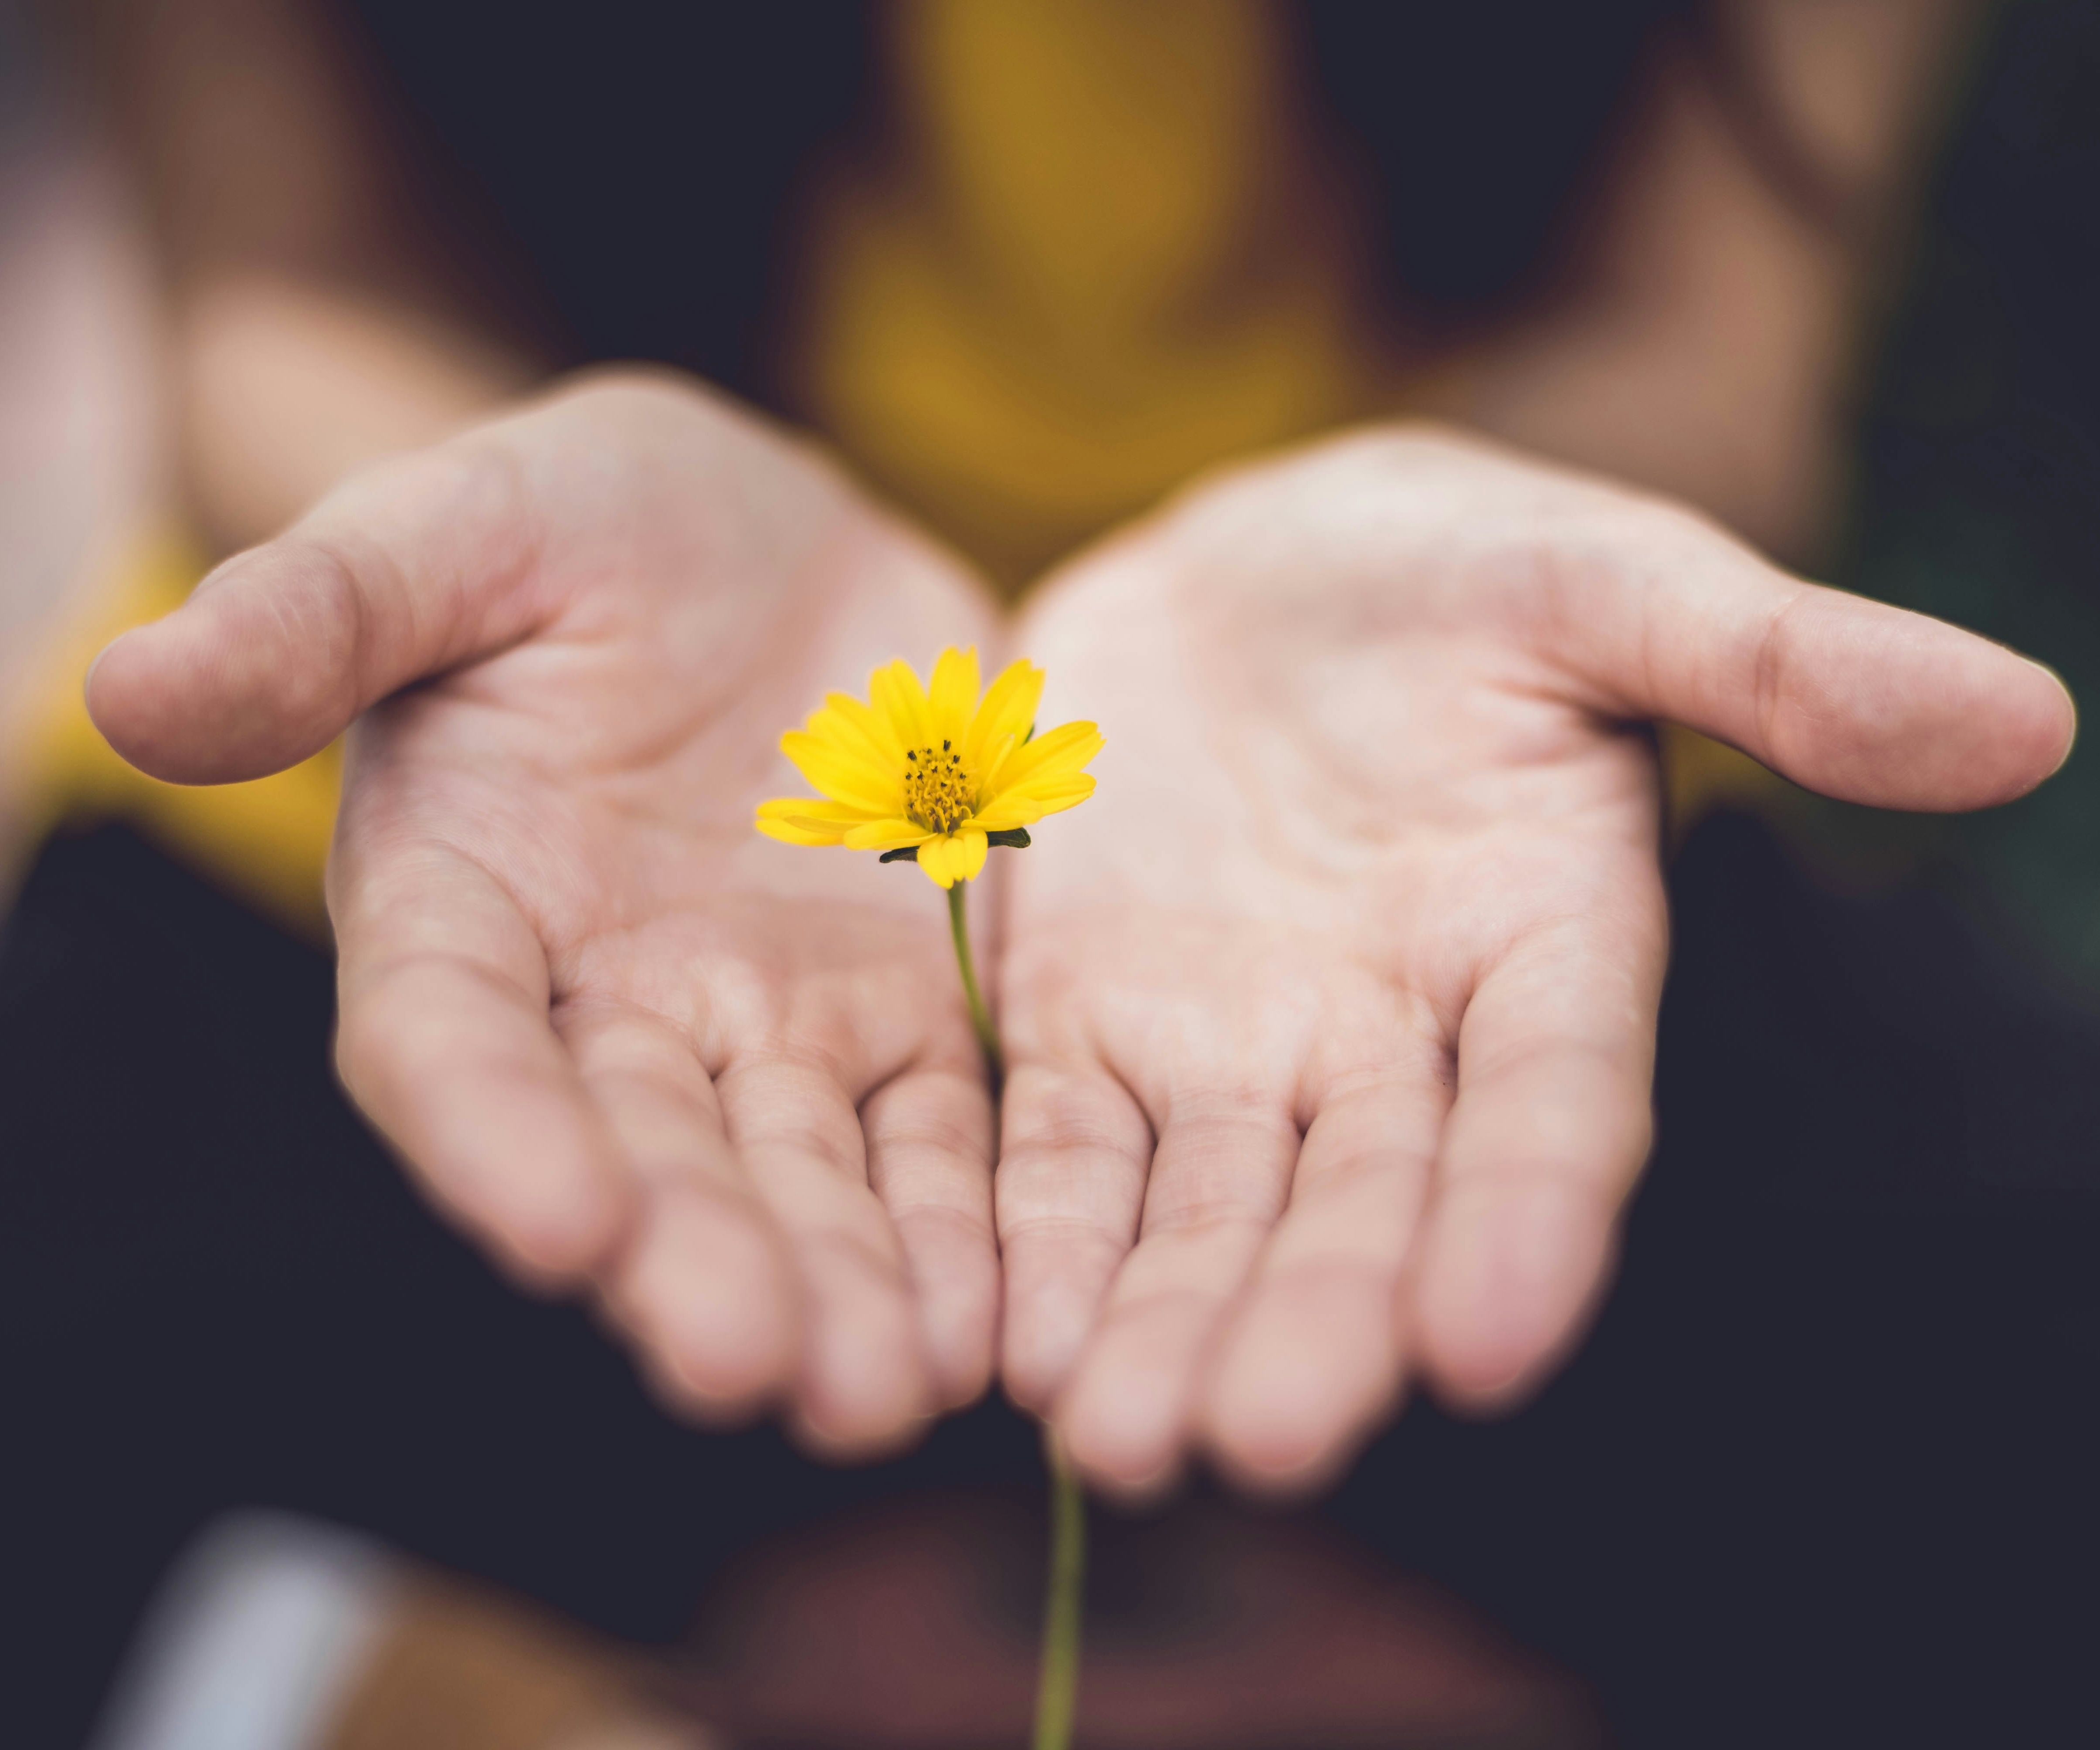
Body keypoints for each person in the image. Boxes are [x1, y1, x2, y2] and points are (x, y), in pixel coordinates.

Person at [9, 3, 2096, 1743]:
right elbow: (282, 283)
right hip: (539, 810)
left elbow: (1700, 333)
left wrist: (1487, 523)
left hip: (1408, 823)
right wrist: (448, 532)